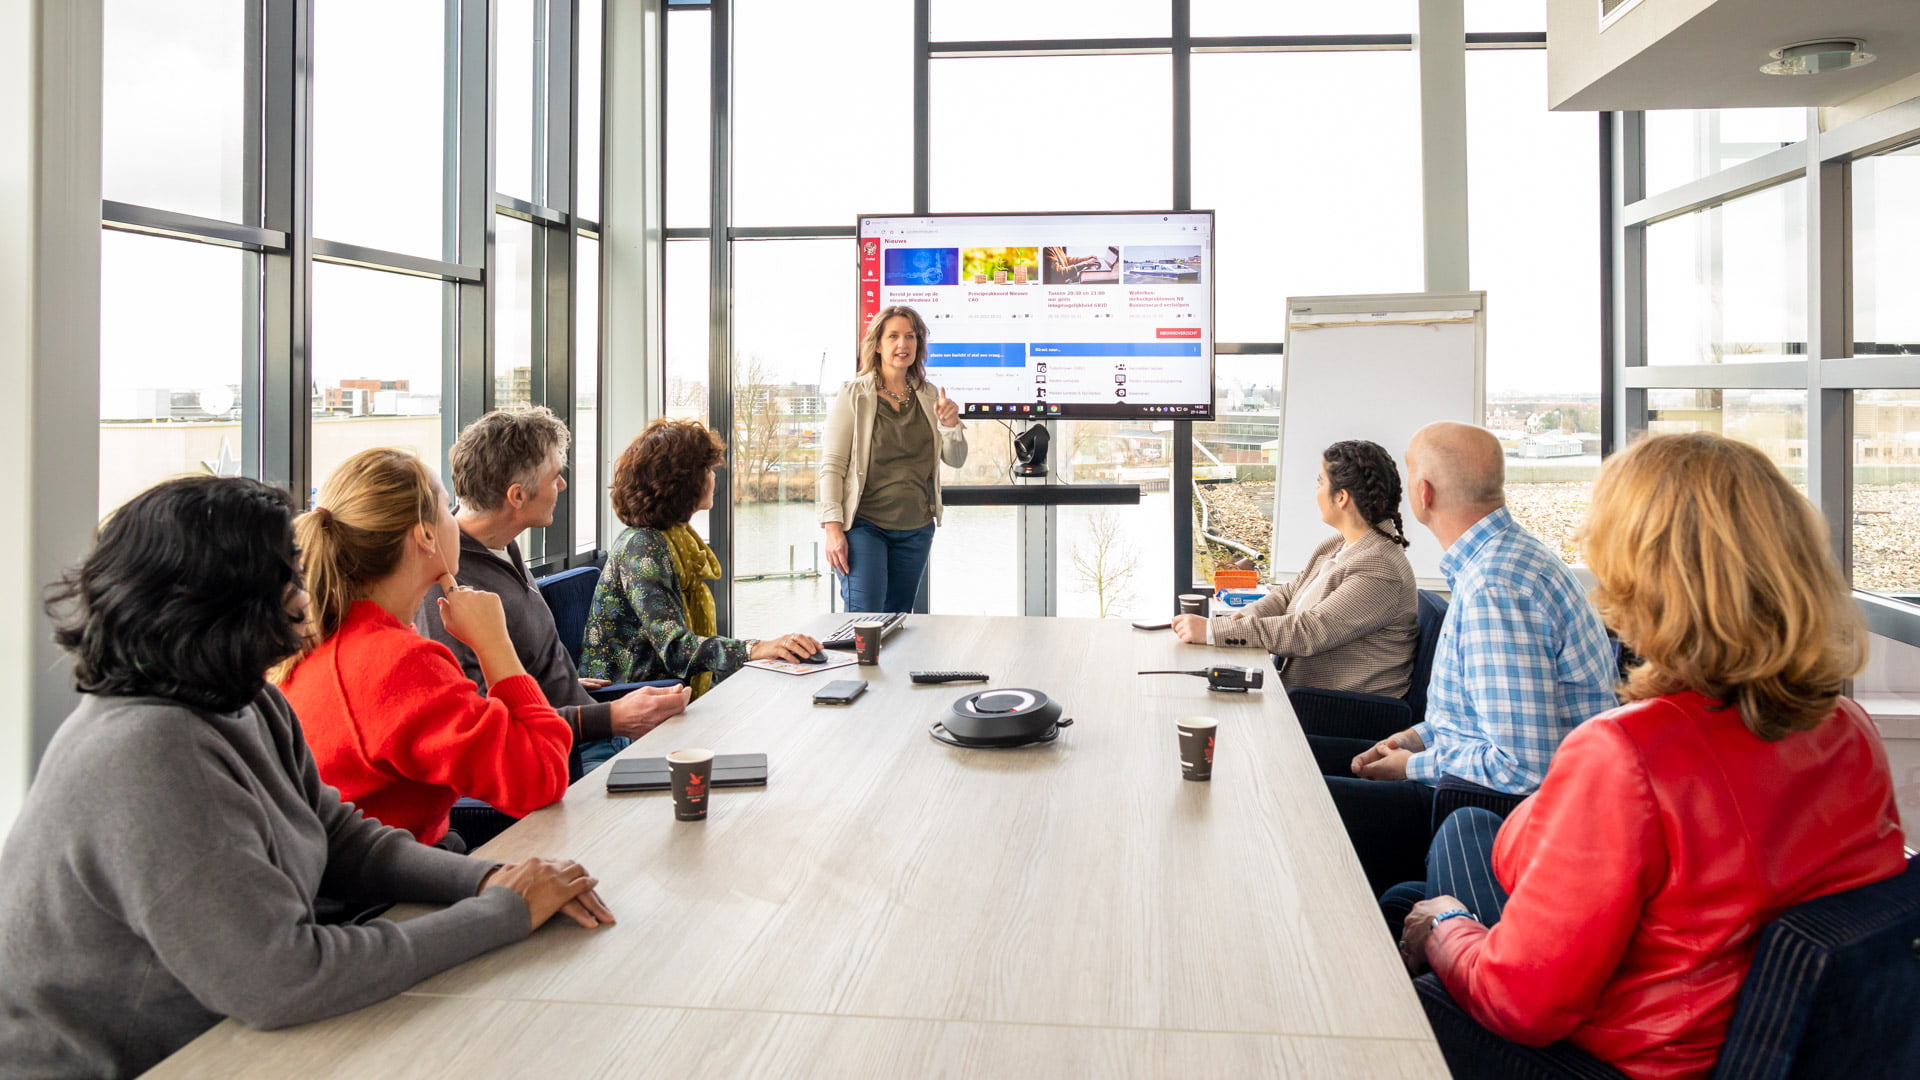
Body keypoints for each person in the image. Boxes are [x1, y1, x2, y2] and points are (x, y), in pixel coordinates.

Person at [0, 476, 613, 1079]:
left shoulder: (240, 701)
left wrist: (492, 881)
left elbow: (341, 838)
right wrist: (503, 912)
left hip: (227, 1035)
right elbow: (283, 978)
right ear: (230, 595)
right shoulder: (145, 753)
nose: (303, 589)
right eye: (288, 573)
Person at [1395, 432, 1906, 1080]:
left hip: (1626, 1063)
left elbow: (1519, 1005)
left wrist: (1446, 927)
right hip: (1762, 1047)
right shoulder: (1849, 732)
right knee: (1415, 889)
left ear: (1639, 575)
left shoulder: (1629, 756)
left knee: (1416, 918)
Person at [1315, 422, 1616, 894]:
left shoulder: (1494, 587)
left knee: (1296, 801)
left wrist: (1412, 766)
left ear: (1423, 492)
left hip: (1491, 813)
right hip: (1474, 790)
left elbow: (1522, 766)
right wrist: (1415, 738)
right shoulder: (1506, 560)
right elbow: (1483, 715)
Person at [279, 448, 574, 846]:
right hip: (390, 896)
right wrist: (495, 644)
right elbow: (542, 776)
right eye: (447, 507)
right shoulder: (397, 662)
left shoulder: (324, 638)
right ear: (426, 535)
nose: (457, 519)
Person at [416, 407, 690, 774]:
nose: (561, 486)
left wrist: (558, 677)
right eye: (555, 477)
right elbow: (487, 725)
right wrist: (610, 718)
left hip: (583, 728)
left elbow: (512, 659)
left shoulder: (503, 544)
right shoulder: (447, 588)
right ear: (517, 496)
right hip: (564, 759)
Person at [581, 418, 820, 698]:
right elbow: (675, 649)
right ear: (682, 482)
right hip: (634, 697)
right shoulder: (643, 546)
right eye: (706, 470)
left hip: (663, 688)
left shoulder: (673, 538)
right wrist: (754, 649)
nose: (713, 477)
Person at [1173, 439, 1418, 696]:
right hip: (1306, 692)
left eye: (1320, 482)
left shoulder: (1379, 569)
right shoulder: (1338, 544)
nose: (1316, 489)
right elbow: (1289, 593)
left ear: (1342, 497)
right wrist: (1245, 616)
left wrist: (1214, 630)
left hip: (1345, 710)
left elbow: (1308, 631)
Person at [819, 305, 968, 613]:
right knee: (865, 624)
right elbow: (832, 466)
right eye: (894, 336)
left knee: (897, 624)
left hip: (916, 528)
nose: (903, 345)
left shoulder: (930, 397)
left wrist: (951, 426)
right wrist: (832, 528)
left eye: (911, 336)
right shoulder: (854, 395)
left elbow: (956, 459)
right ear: (878, 345)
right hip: (864, 526)